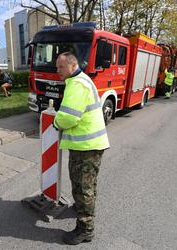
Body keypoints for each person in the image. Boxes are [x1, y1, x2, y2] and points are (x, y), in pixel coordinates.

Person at [53, 52, 110, 245]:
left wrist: (55, 122)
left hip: (86, 148)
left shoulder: (76, 84)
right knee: (88, 185)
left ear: (71, 65)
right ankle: (83, 211)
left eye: (60, 67)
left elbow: (68, 118)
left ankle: (86, 229)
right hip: (90, 146)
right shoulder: (81, 79)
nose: (57, 70)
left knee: (82, 187)